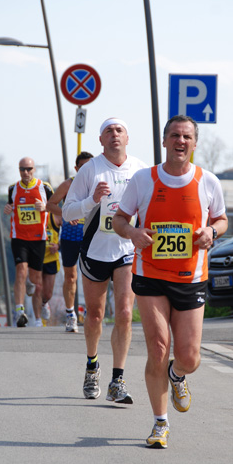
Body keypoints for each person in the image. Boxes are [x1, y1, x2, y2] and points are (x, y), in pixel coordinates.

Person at [112, 115, 228, 448]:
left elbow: (221, 220)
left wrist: (211, 231)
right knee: (159, 347)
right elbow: (120, 219)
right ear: (164, 141)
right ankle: (160, 423)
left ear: (194, 143)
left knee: (189, 357)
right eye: (174, 135)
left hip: (191, 277)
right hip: (150, 275)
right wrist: (133, 232)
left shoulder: (208, 181)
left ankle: (177, 376)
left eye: (187, 137)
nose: (180, 141)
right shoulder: (143, 180)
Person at [62, 118, 147, 403]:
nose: (114, 135)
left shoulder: (140, 170)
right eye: (108, 131)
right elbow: (67, 212)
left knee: (124, 313)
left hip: (126, 249)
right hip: (95, 251)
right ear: (100, 140)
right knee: (96, 315)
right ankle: (91, 365)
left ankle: (118, 379)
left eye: (119, 130)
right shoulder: (90, 170)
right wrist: (91, 201)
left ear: (127, 137)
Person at [46, 151, 94, 332]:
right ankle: (70, 314)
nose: (86, 170)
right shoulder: (68, 184)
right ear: (76, 168)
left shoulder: (98, 183)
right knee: (71, 276)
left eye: (89, 166)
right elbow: (50, 205)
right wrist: (66, 214)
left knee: (92, 277)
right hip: (70, 236)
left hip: (91, 235)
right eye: (82, 167)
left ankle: (92, 313)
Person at [4, 157, 53, 327]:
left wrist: (45, 207)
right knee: (21, 271)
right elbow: (10, 206)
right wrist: (8, 208)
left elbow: (56, 208)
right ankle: (19, 311)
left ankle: (40, 312)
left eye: (28, 169)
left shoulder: (44, 187)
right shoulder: (13, 188)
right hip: (19, 237)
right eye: (22, 169)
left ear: (34, 170)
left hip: (38, 238)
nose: (25, 172)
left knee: (35, 279)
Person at [26, 211, 61, 325]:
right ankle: (37, 320)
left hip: (51, 258)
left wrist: (58, 245)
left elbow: (67, 231)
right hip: (36, 257)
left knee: (47, 294)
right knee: (37, 288)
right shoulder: (32, 214)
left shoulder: (55, 216)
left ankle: (44, 303)